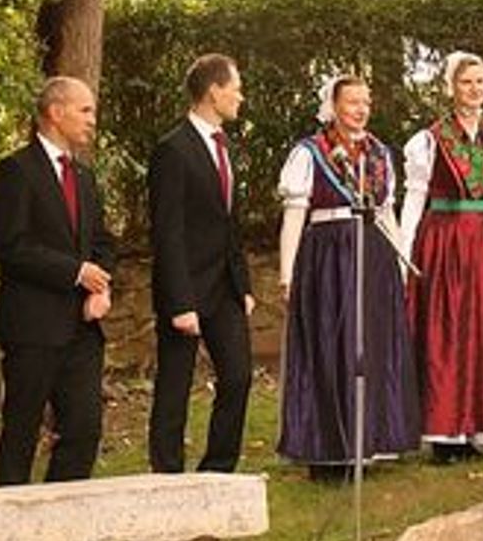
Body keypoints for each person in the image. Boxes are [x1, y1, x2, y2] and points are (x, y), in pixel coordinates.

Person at [276, 74, 420, 479]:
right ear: (334, 107)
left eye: (365, 102)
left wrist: (400, 261)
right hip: (328, 257)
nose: (360, 110)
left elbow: (386, 212)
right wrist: (288, 273)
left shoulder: (378, 154)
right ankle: (329, 448)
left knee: (369, 348)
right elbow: (294, 214)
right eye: (352, 102)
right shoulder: (310, 152)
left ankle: (369, 441)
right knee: (331, 345)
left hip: (372, 254)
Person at [0, 76, 117, 485]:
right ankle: (9, 533)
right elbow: (11, 246)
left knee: (84, 430)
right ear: (55, 113)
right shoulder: (15, 170)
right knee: (21, 432)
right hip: (33, 326)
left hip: (82, 326)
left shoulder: (84, 176)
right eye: (85, 110)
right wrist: (76, 273)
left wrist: (101, 288)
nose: (93, 120)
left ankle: (62, 523)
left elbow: (102, 242)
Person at [399, 53, 483, 462]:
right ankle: (444, 432)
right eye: (467, 82)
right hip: (445, 240)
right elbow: (415, 197)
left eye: (481, 82)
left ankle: (479, 427)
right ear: (452, 87)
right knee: (446, 332)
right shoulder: (430, 140)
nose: (475, 89)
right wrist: (405, 251)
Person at [148, 54, 255, 474]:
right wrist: (179, 302)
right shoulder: (172, 150)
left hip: (225, 288)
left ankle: (218, 470)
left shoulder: (225, 147)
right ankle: (167, 472)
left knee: (238, 376)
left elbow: (231, 224)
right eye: (236, 88)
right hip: (186, 289)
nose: (240, 97)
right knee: (175, 385)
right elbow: (167, 231)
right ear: (214, 91)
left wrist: (243, 285)